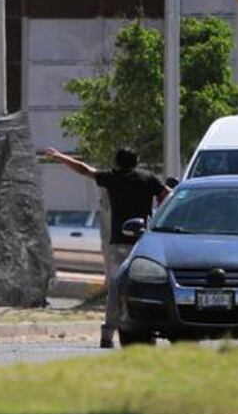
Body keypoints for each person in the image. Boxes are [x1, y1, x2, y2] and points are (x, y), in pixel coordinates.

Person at [44, 147, 171, 348]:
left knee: (115, 287)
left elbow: (84, 169)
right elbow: (168, 195)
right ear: (136, 161)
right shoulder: (147, 178)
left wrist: (62, 157)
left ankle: (107, 334)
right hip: (140, 243)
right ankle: (145, 327)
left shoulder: (112, 177)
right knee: (145, 285)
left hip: (117, 242)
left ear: (117, 162)